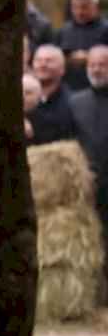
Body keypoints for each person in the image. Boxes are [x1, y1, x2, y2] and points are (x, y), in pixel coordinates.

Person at [71, 46, 108, 261]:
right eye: (92, 64)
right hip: (88, 187)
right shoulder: (75, 102)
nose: (96, 69)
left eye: (102, 64)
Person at [55, 0, 108, 92]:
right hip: (69, 89)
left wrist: (90, 57)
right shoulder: (64, 30)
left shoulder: (105, 29)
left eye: (85, 7)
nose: (80, 12)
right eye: (75, 7)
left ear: (95, 6)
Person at [28, 44, 76, 145]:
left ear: (62, 69)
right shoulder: (21, 98)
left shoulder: (73, 102)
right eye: (38, 60)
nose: (43, 64)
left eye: (49, 61)